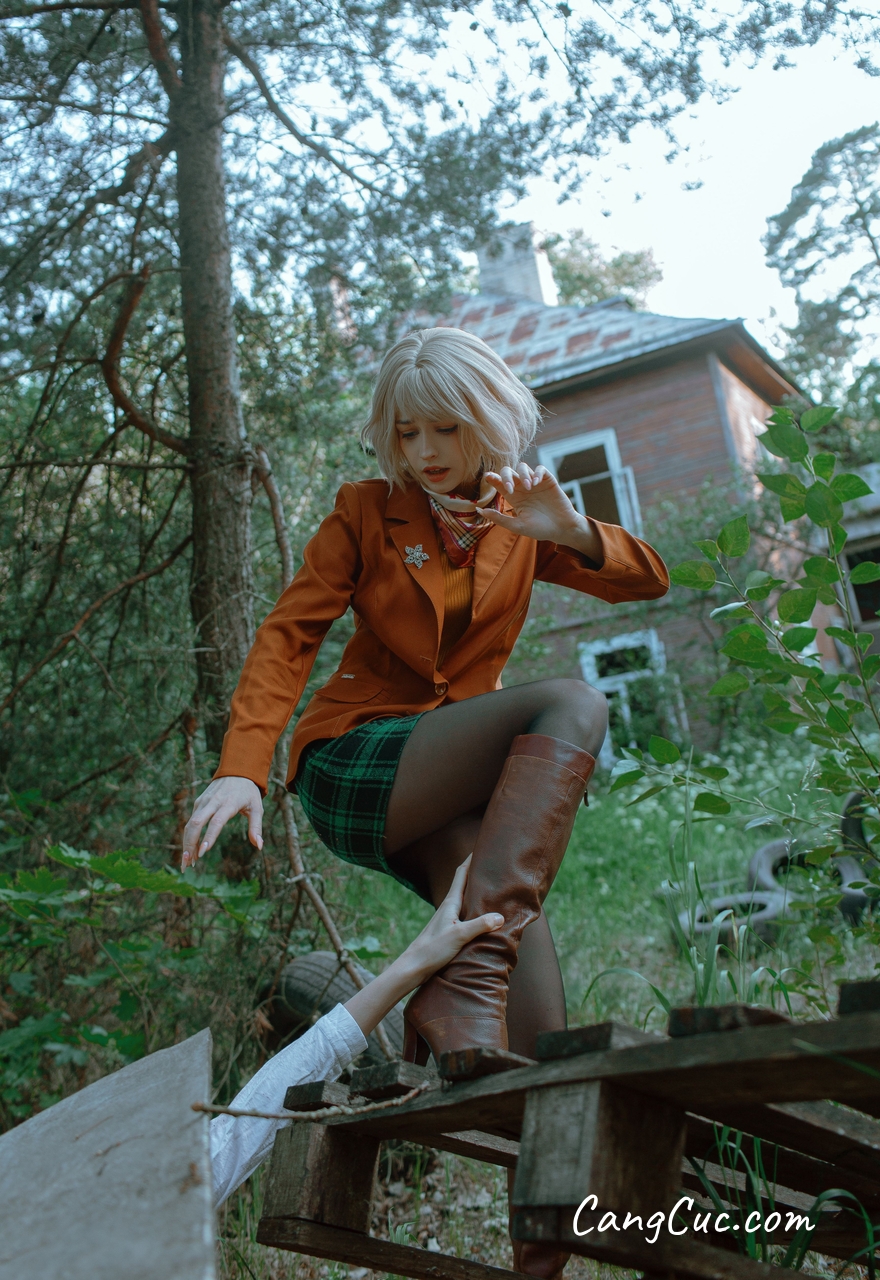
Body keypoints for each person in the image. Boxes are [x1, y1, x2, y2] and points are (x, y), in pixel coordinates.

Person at [183, 326, 669, 1276]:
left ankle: (540, 1252)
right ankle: (463, 990)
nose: (426, 451)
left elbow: (647, 579)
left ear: (487, 420)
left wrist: (568, 531)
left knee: (543, 1040)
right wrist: (243, 763)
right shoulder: (366, 513)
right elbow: (288, 636)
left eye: (445, 428)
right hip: (357, 760)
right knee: (573, 703)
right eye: (407, 432)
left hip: (448, 794)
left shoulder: (521, 519)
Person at [211, 859, 502, 1208]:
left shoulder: (178, 1181)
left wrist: (413, 964)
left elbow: (230, 1140)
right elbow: (231, 1143)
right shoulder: (176, 1197)